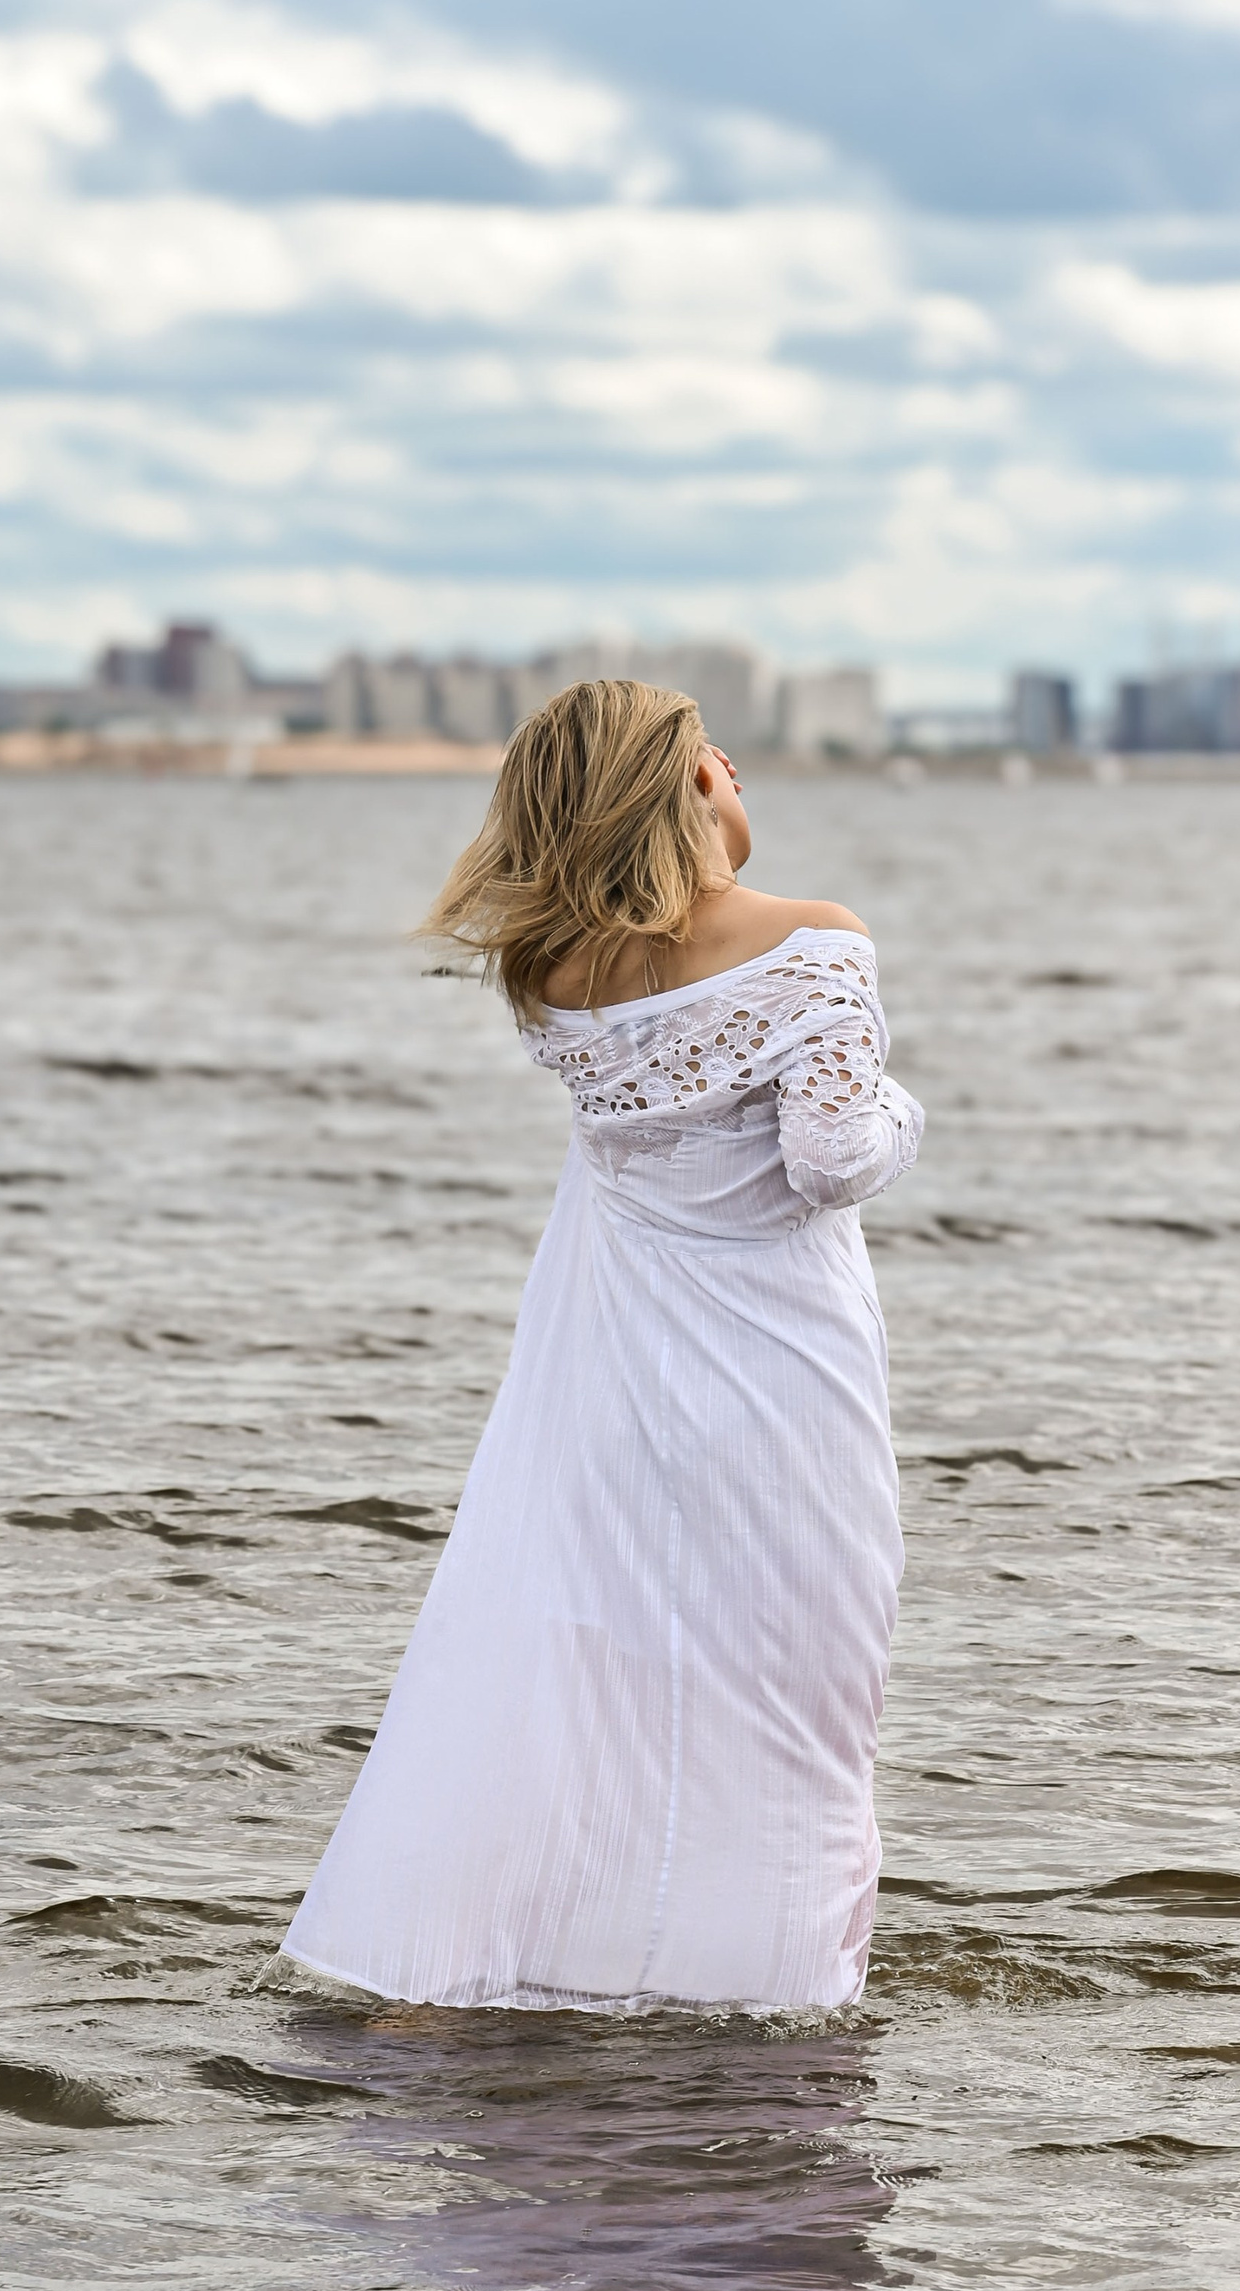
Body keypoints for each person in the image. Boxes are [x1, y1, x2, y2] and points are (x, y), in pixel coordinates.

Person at [281, 679, 924, 2011]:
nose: (737, 768)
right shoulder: (818, 944)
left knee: (630, 1663)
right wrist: (903, 1107)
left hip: (628, 1377)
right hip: (781, 1379)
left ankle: (576, 1961)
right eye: (715, 753)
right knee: (796, 1682)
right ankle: (777, 1993)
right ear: (686, 789)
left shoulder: (550, 976)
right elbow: (833, 1161)